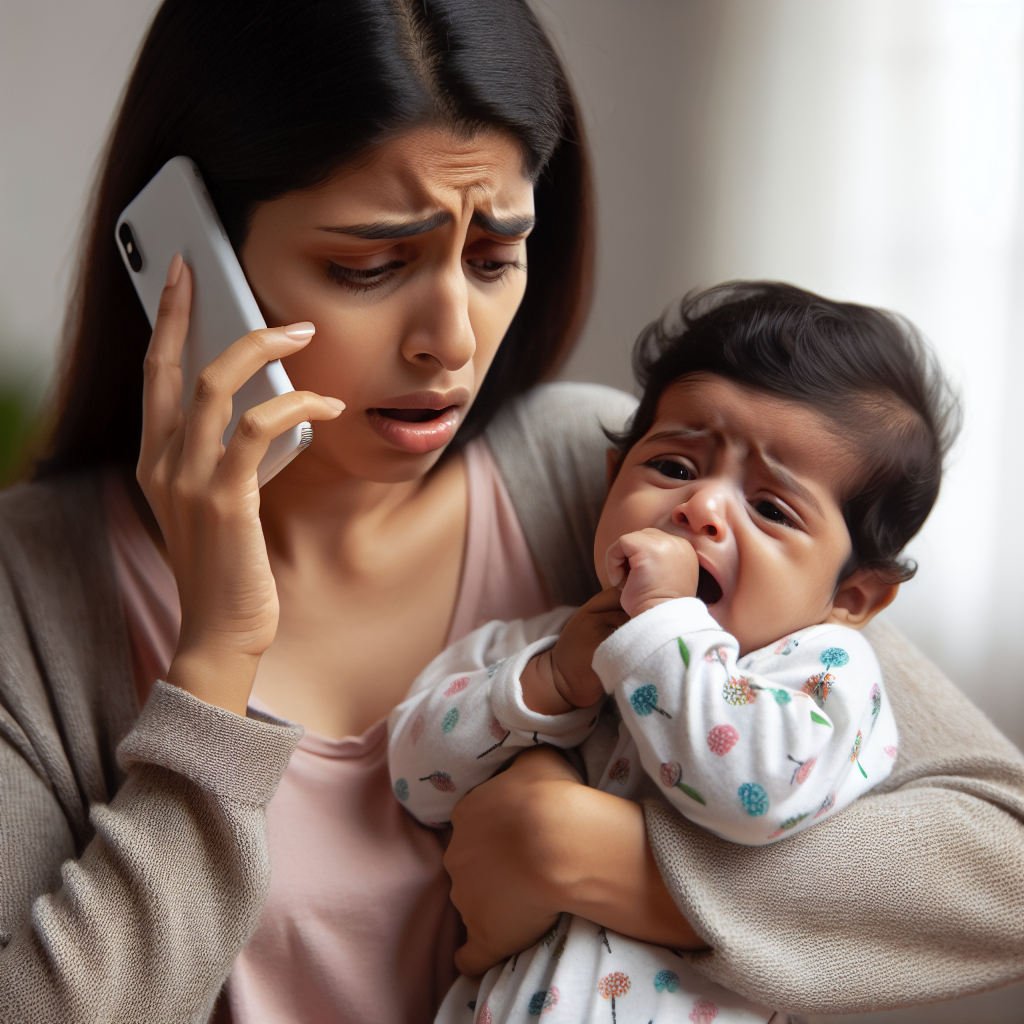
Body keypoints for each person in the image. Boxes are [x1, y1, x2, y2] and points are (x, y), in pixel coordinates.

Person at [0, 2, 1021, 1023]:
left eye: (493, 258)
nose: (451, 337)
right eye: (369, 265)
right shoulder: (30, 592)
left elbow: (999, 862)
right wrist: (215, 661)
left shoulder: (619, 479)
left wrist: (605, 863)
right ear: (192, 259)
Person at [389, 283, 937, 1023]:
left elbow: (750, 790)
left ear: (854, 598)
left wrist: (667, 626)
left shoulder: (822, 677)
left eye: (771, 509)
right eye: (675, 468)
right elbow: (413, 775)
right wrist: (551, 680)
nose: (701, 508)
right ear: (614, 480)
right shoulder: (542, 642)